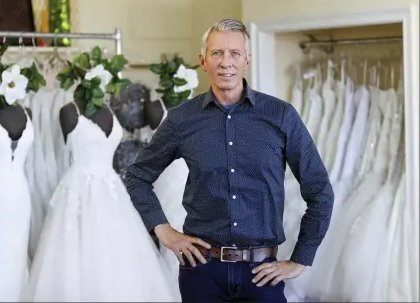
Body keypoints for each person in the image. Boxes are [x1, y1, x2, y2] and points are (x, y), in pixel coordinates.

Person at [125, 18, 335, 303]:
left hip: (262, 274)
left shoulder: (281, 117)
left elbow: (320, 191)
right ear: (203, 60)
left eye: (235, 53)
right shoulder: (181, 120)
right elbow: (137, 177)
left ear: (247, 60)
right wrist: (165, 232)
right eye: (217, 53)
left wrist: (300, 260)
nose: (226, 62)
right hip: (201, 274)